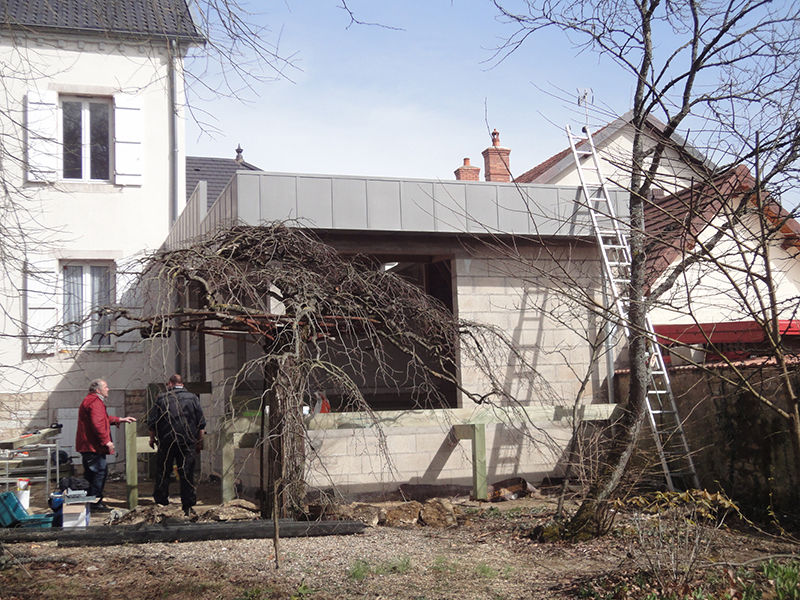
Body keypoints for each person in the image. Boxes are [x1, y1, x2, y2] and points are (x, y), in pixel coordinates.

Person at [148, 374, 206, 515]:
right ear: (182, 384)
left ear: (170, 384)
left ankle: (161, 503)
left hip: (167, 441)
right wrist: (199, 442)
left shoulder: (162, 399)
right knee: (187, 473)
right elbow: (201, 424)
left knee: (163, 472)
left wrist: (152, 439)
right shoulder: (193, 398)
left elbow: (152, 422)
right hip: (187, 441)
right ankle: (188, 505)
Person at [75, 379, 136, 512]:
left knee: (92, 474)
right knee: (99, 473)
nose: (108, 389)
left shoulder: (92, 401)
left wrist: (120, 419)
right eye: (106, 387)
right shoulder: (94, 402)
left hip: (89, 446)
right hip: (92, 447)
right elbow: (97, 424)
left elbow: (102, 419)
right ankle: (95, 503)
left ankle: (90, 502)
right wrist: (106, 441)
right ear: (98, 390)